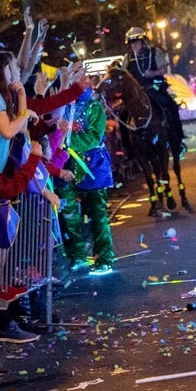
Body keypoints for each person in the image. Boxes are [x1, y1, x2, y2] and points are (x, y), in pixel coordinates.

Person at [57, 80, 115, 276]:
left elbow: (93, 137)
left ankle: (104, 258)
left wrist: (64, 139)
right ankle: (77, 255)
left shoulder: (95, 107)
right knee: (68, 215)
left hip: (93, 168)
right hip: (65, 168)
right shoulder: (62, 106)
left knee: (98, 215)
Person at [122, 27, 185, 149]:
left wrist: (153, 73)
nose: (133, 45)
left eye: (136, 42)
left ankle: (177, 140)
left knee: (171, 106)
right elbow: (124, 75)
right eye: (131, 43)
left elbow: (163, 69)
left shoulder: (154, 52)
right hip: (137, 92)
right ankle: (127, 148)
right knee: (123, 115)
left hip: (154, 87)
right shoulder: (127, 58)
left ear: (142, 41)